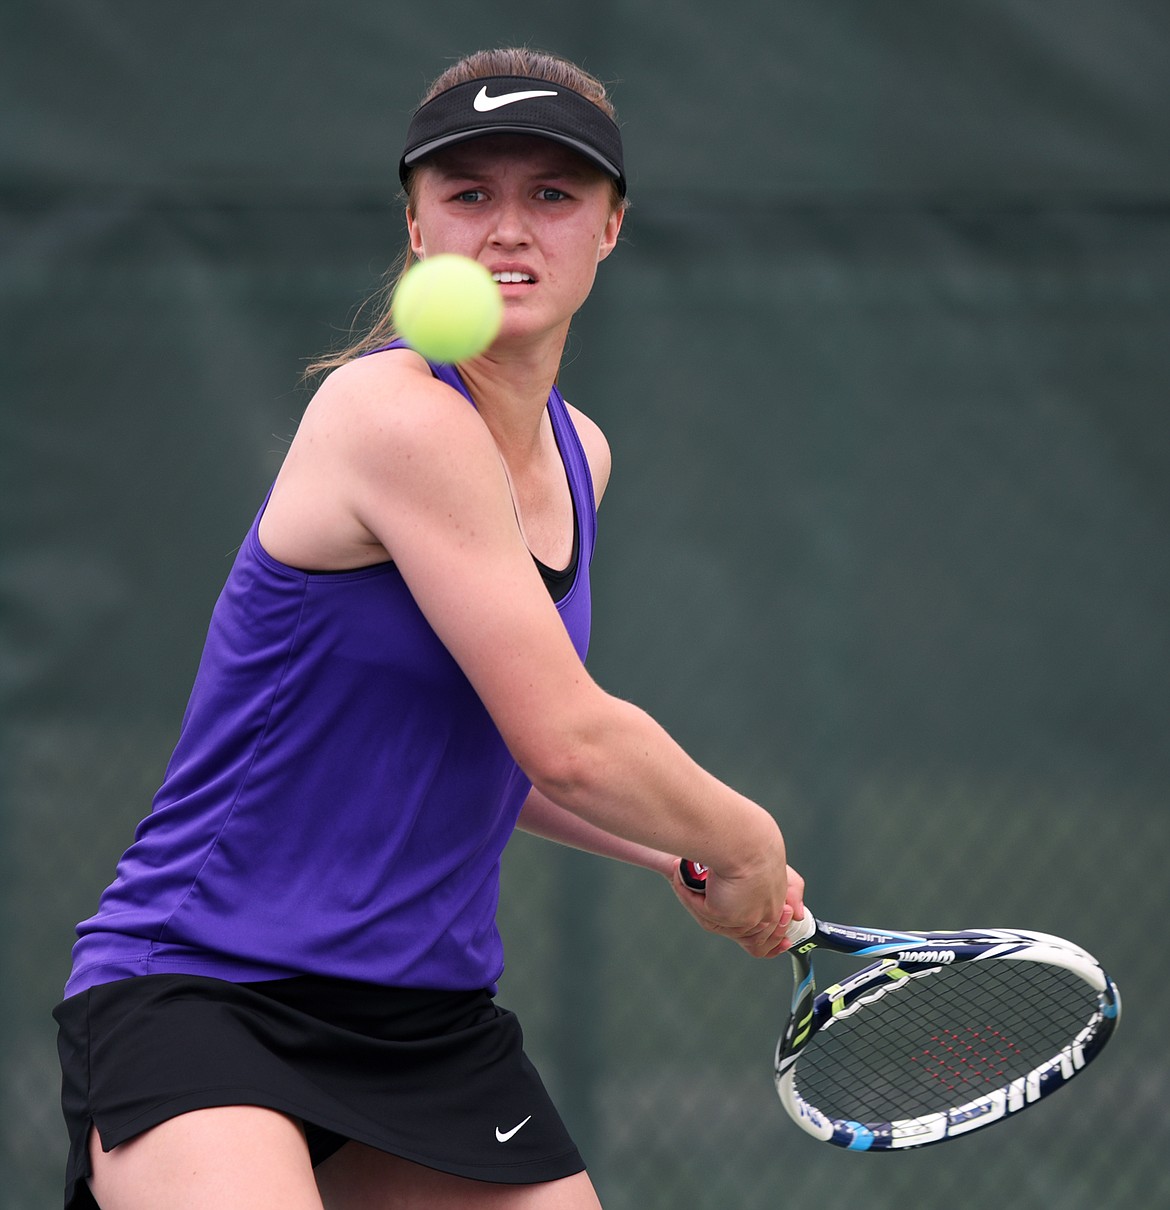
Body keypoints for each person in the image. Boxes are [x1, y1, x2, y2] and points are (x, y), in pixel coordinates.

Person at [53, 47, 805, 1210]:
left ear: (611, 228)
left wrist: (672, 849)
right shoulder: (389, 413)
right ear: (416, 227)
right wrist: (746, 838)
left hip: (422, 1019)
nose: (509, 228)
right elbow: (569, 738)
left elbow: (503, 743)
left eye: (552, 194)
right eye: (470, 195)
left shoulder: (578, 454)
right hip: (205, 990)